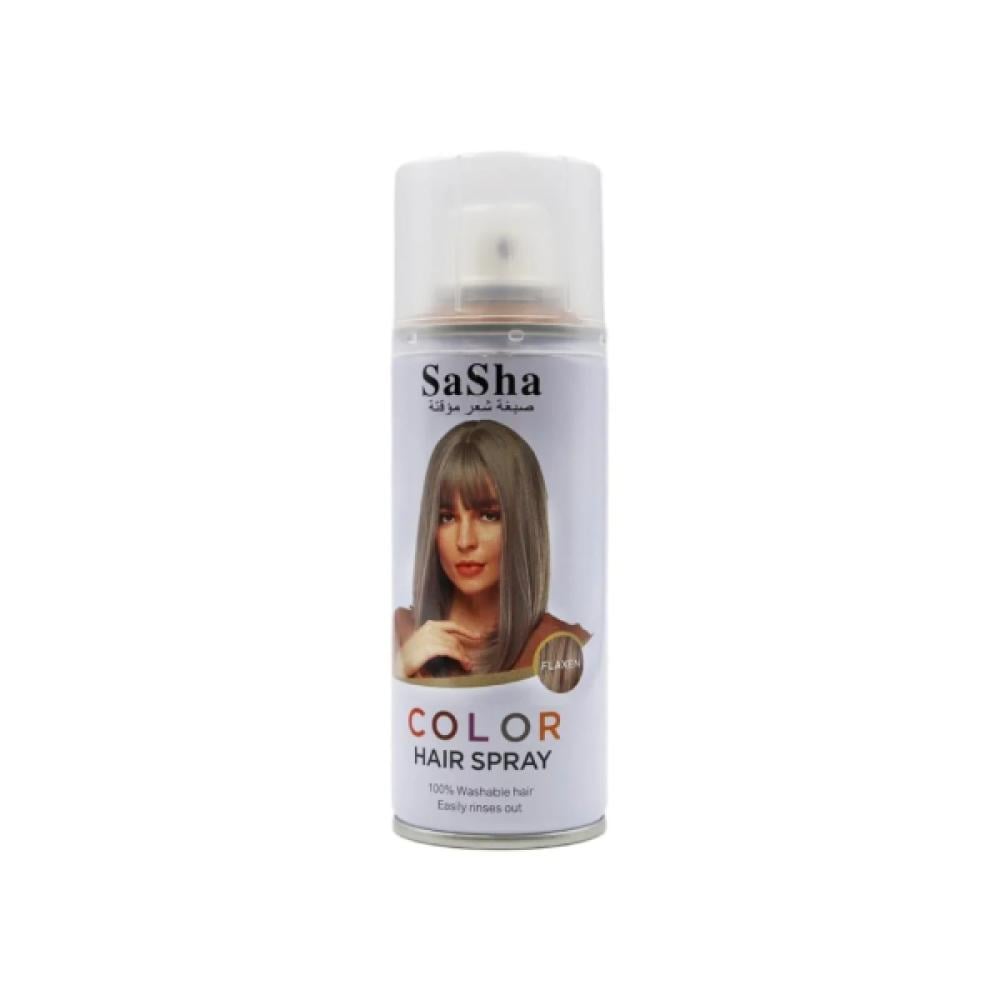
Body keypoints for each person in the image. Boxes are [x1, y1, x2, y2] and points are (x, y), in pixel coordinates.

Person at [394, 420, 589, 680]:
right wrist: (400, 666)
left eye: (488, 516)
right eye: (446, 517)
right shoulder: (398, 634)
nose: (465, 541)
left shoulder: (565, 645)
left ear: (523, 523)